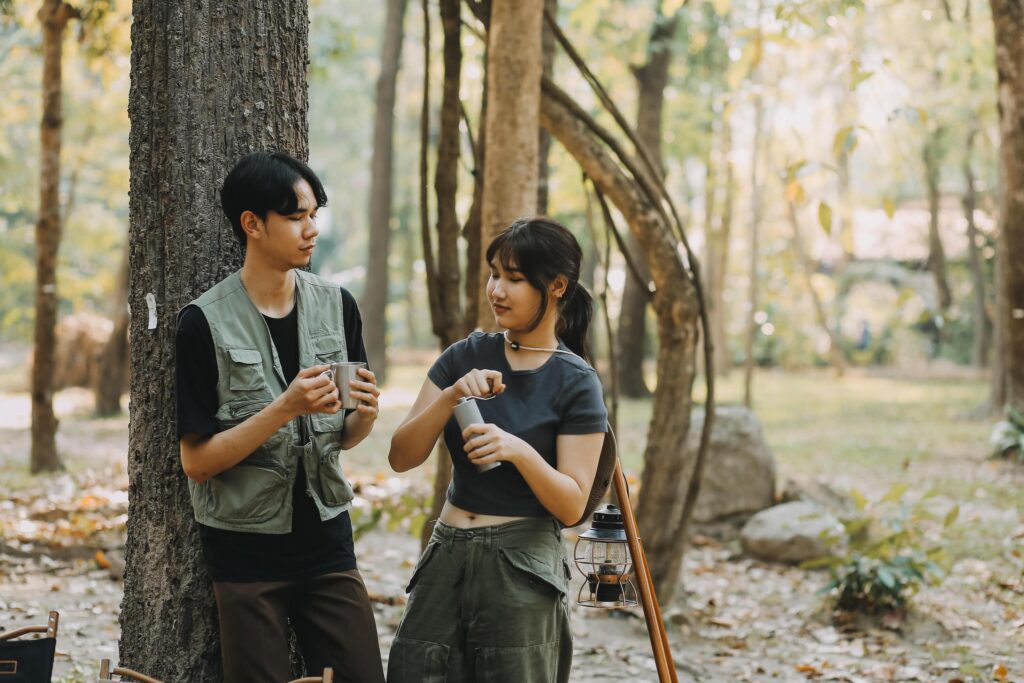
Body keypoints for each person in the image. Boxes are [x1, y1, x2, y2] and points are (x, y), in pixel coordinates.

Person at [175, 151, 386, 683]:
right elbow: (197, 463)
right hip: (245, 554)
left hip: (328, 542)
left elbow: (348, 433)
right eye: (295, 217)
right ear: (252, 224)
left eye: (314, 213)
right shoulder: (203, 323)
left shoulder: (339, 305)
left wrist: (366, 414)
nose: (311, 229)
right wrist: (286, 406)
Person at [386, 217, 608, 682]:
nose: (496, 290)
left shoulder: (576, 381)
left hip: (521, 565)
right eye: (494, 274)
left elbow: (571, 506)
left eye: (515, 278)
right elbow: (401, 457)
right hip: (445, 556)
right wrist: (451, 397)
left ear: (557, 286)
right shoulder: (465, 355)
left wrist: (517, 450)